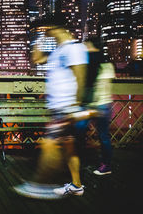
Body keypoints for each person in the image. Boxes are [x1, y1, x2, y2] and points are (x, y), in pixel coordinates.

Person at [14, 24, 96, 199]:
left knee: (50, 144)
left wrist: (75, 105)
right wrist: (40, 39)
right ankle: (76, 185)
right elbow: (36, 59)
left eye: (46, 29)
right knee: (69, 148)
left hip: (66, 107)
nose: (45, 32)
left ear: (55, 27)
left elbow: (81, 77)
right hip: (59, 107)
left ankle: (41, 185)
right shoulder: (59, 50)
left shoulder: (74, 48)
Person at [82, 41, 115, 175]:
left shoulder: (91, 65)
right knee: (103, 136)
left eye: (88, 47)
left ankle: (102, 164)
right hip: (103, 104)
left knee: (80, 132)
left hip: (96, 105)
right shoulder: (108, 66)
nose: (85, 50)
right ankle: (105, 164)